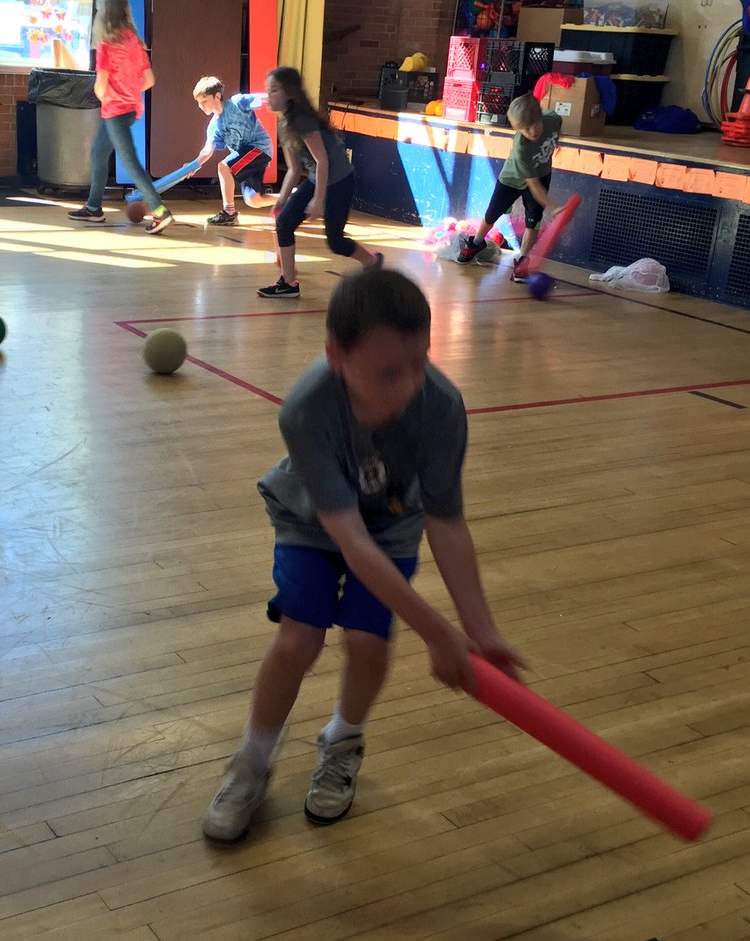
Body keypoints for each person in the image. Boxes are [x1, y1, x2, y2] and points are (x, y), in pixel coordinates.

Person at [202, 267, 526, 842]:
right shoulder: (305, 410)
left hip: (393, 524)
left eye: (420, 363)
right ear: (336, 355)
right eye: (388, 373)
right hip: (312, 521)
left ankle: (342, 742)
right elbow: (349, 540)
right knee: (298, 640)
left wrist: (480, 630)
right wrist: (439, 633)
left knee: (368, 642)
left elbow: (446, 523)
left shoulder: (442, 406)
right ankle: (251, 761)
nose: (410, 385)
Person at [257, 66, 381, 300]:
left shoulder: (303, 121)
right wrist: (281, 201)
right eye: (267, 90)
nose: (268, 96)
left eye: (274, 90)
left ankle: (372, 262)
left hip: (339, 181)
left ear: (289, 93)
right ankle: (288, 283)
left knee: (336, 242)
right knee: (284, 222)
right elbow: (294, 169)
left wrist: (318, 199)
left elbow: (322, 160)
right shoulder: (284, 125)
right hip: (318, 178)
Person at [68, 0, 173, 234]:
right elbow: (149, 80)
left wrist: (105, 95)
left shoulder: (106, 45)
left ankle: (160, 211)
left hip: (114, 111)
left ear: (105, 15)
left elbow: (100, 85)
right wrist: (129, 91)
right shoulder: (134, 42)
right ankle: (94, 208)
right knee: (98, 154)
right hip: (129, 109)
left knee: (130, 162)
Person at [457, 93, 562, 283]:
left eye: (535, 124)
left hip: (542, 173)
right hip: (512, 179)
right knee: (492, 214)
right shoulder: (521, 146)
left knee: (533, 221)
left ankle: (522, 259)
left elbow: (556, 128)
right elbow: (534, 186)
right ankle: (477, 242)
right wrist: (555, 207)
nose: (532, 132)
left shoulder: (554, 119)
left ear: (540, 116)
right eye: (525, 129)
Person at [191, 75, 275, 225]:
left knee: (223, 166)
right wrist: (194, 165)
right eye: (199, 103)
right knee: (254, 200)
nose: (201, 106)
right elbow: (207, 150)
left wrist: (284, 99)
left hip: (259, 148)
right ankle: (292, 197)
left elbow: (263, 98)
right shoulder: (214, 126)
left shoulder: (237, 103)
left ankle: (229, 213)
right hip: (245, 157)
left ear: (217, 96)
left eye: (204, 101)